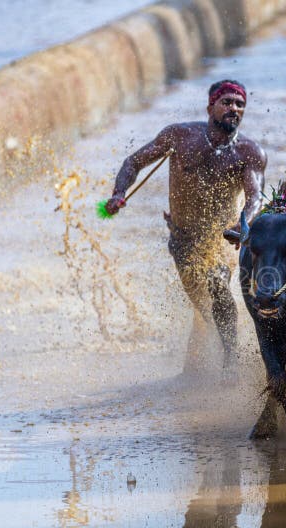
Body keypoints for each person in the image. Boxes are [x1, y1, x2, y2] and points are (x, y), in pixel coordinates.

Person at [105, 79, 266, 364]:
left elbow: (256, 198)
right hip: (183, 238)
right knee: (203, 307)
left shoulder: (248, 152)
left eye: (240, 104)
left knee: (218, 285)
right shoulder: (179, 136)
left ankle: (231, 363)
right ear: (210, 107)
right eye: (227, 102)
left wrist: (244, 224)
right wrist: (119, 193)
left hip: (223, 238)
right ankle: (199, 359)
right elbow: (134, 162)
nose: (234, 108)